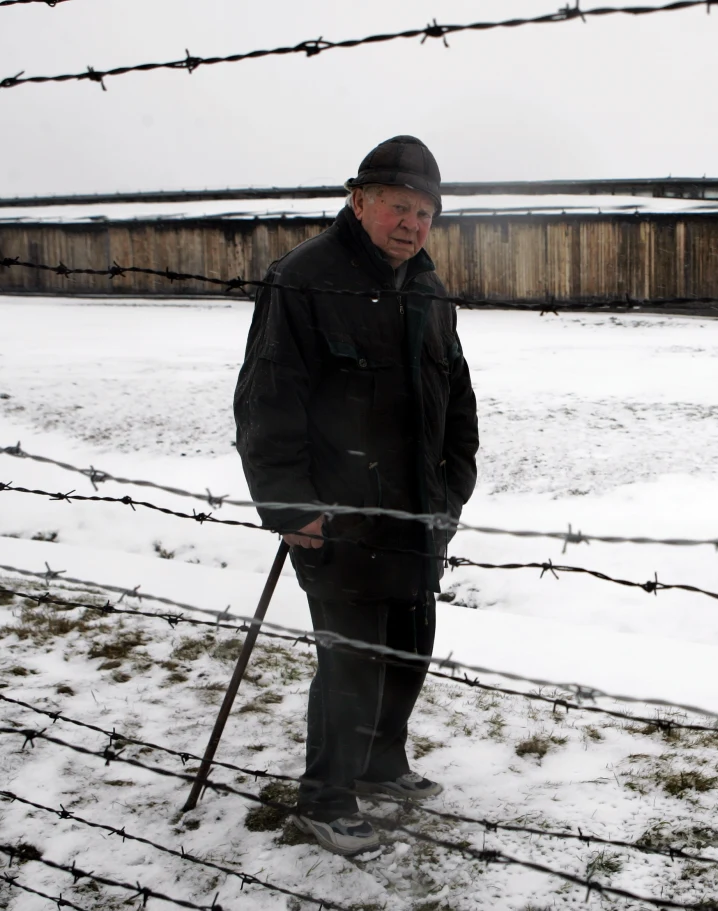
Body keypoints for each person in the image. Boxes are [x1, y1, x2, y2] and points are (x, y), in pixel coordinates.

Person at [233, 135, 479, 855]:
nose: (412, 224)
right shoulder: (304, 279)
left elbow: (458, 401)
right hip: (337, 515)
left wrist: (454, 486)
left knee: (410, 645)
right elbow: (267, 400)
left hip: (417, 513)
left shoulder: (430, 292)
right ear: (359, 201)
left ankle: (379, 761)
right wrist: (290, 504)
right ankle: (326, 798)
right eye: (399, 207)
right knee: (352, 656)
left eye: (426, 213)